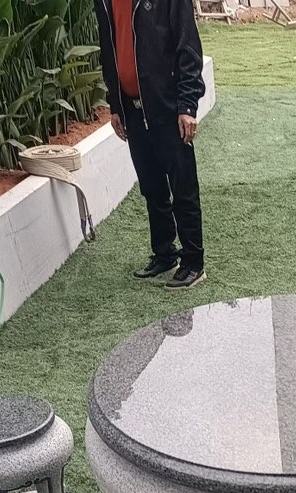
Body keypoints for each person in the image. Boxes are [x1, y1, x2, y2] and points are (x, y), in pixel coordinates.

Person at [94, 0, 206, 289]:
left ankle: (193, 262)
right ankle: (164, 254)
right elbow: (109, 49)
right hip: (132, 110)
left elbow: (188, 46)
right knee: (152, 188)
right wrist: (115, 105)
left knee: (183, 187)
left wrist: (187, 105)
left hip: (168, 106)